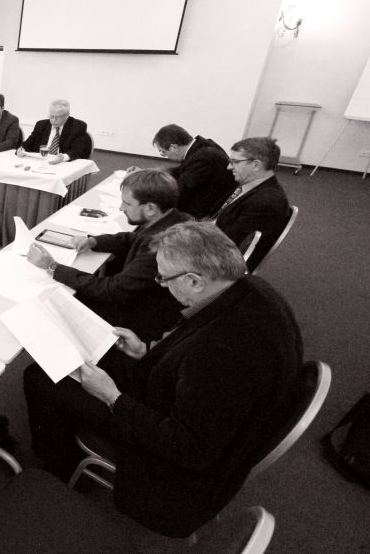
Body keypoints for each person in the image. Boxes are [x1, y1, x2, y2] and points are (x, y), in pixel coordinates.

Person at [23, 222, 302, 538]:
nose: (162, 286)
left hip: (170, 460)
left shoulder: (223, 353)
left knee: (41, 379)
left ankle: (58, 470)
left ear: (194, 281)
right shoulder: (250, 291)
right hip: (173, 396)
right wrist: (145, 351)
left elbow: (188, 448)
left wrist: (111, 396)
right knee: (89, 358)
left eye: (163, 278)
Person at [27, 169, 190, 341]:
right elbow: (131, 238)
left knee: (57, 301)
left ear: (150, 208)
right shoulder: (172, 219)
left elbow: (111, 291)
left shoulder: (159, 247)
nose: (121, 208)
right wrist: (94, 241)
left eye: (127, 204)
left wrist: (53, 267)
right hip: (142, 300)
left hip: (138, 317)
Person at [206, 136, 291, 272]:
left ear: (256, 165)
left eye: (235, 162)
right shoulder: (247, 185)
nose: (229, 167)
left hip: (217, 261)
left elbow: (230, 246)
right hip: (211, 238)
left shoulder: (267, 202)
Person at [146, 124, 237, 218]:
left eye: (163, 152)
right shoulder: (202, 147)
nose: (164, 156)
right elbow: (183, 170)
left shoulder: (203, 157)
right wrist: (153, 174)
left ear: (174, 147)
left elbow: (181, 189)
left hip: (210, 212)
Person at [18, 99, 92, 164]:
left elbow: (76, 150)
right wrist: (21, 149)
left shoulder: (78, 126)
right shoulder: (41, 125)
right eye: (51, 116)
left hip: (63, 164)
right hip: (41, 163)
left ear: (67, 115)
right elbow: (27, 144)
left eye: (58, 117)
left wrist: (63, 157)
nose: (54, 120)